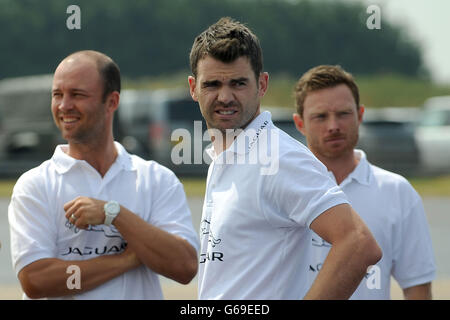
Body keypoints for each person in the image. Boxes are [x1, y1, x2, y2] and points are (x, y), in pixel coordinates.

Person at [188, 17, 382, 300]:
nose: (225, 96)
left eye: (239, 83)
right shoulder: (227, 156)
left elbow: (359, 243)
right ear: (193, 87)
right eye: (212, 84)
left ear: (262, 84)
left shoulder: (278, 157)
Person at [8, 50, 199, 299]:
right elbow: (36, 279)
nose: (64, 106)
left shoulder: (156, 179)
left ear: (112, 101)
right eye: (57, 95)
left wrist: (114, 214)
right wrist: (129, 258)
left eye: (77, 95)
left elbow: (184, 267)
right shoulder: (35, 184)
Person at [293, 65, 436, 299]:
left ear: (360, 115)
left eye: (343, 114)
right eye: (320, 116)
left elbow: (417, 288)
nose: (333, 126)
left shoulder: (397, 191)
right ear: (300, 124)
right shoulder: (281, 188)